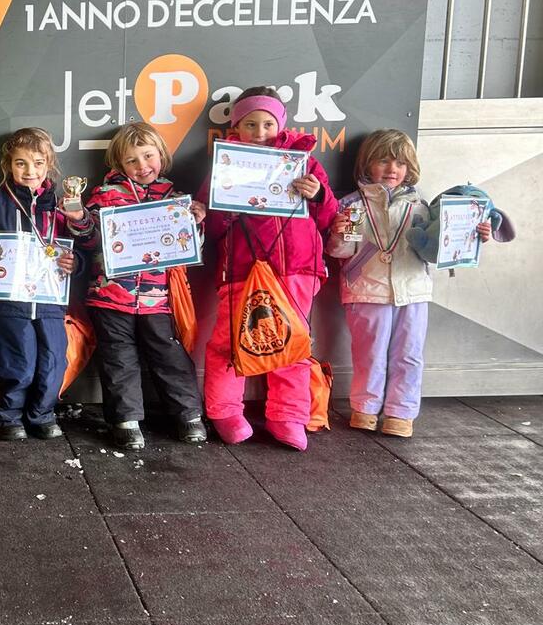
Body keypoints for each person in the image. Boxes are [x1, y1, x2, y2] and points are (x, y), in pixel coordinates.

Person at [197, 87, 338, 451]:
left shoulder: (305, 162)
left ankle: (288, 416)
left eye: (267, 123)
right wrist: (222, 207)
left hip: (297, 269)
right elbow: (210, 229)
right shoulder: (224, 166)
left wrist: (319, 195)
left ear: (280, 124)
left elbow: (329, 218)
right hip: (242, 270)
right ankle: (224, 411)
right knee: (231, 344)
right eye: (250, 124)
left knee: (291, 346)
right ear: (236, 128)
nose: (260, 132)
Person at [326, 129, 491, 438]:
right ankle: (365, 407)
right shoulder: (353, 205)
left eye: (400, 163)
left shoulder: (422, 206)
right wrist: (338, 232)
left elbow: (439, 249)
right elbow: (339, 252)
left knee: (409, 353)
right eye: (384, 161)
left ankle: (401, 412)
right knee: (369, 353)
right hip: (366, 290)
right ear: (367, 164)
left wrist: (473, 234)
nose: (392, 169)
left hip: (412, 290)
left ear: (409, 168)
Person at [66, 122, 207, 450]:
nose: (142, 166)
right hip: (110, 295)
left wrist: (195, 222)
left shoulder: (174, 197)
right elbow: (88, 241)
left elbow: (189, 248)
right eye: (132, 160)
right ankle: (125, 420)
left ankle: (187, 414)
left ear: (161, 156)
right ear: (118, 164)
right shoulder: (105, 195)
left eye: (148, 156)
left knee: (169, 354)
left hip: (159, 297)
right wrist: (77, 217)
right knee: (118, 358)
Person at [0, 127, 84, 442]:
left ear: (49, 166)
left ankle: (42, 414)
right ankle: (6, 415)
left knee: (54, 357)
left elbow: (80, 243)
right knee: (20, 360)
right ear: (8, 165)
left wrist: (75, 263)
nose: (30, 171)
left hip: (49, 299)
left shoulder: (60, 204)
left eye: (38, 164)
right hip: (7, 301)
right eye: (21, 164)